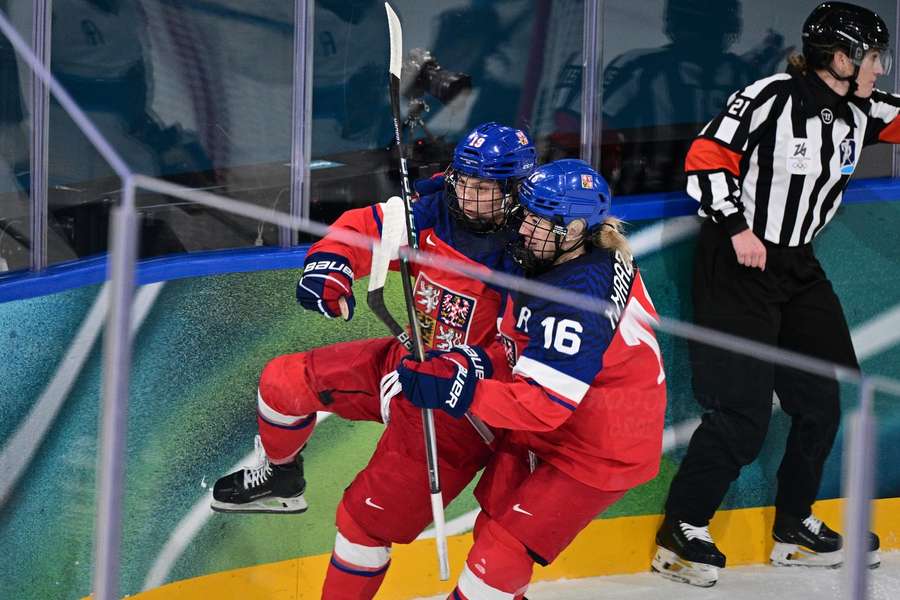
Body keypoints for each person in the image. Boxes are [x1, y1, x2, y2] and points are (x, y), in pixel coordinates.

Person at [209, 123, 535, 592]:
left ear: (515, 191)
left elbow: (526, 354)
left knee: (362, 526)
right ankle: (281, 479)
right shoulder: (438, 208)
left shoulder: (532, 253)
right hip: (409, 359)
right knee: (283, 381)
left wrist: (461, 368)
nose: (467, 196)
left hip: (459, 409)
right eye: (463, 180)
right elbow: (368, 226)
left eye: (483, 188)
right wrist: (332, 264)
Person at [652, 2, 894, 587]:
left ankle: (793, 529)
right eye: (872, 57)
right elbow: (706, 157)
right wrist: (737, 227)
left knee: (821, 403)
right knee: (742, 412)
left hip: (796, 265)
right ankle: (681, 529)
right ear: (840, 58)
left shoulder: (862, 109)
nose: (880, 69)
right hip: (738, 260)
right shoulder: (771, 97)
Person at [396, 159, 667, 599]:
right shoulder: (570, 248)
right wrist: (470, 361)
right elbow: (524, 342)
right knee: (492, 527)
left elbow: (543, 405)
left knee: (500, 555)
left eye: (537, 221)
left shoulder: (576, 300)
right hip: (562, 423)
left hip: (599, 447)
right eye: (526, 213)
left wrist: (455, 390)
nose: (523, 227)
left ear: (573, 228)